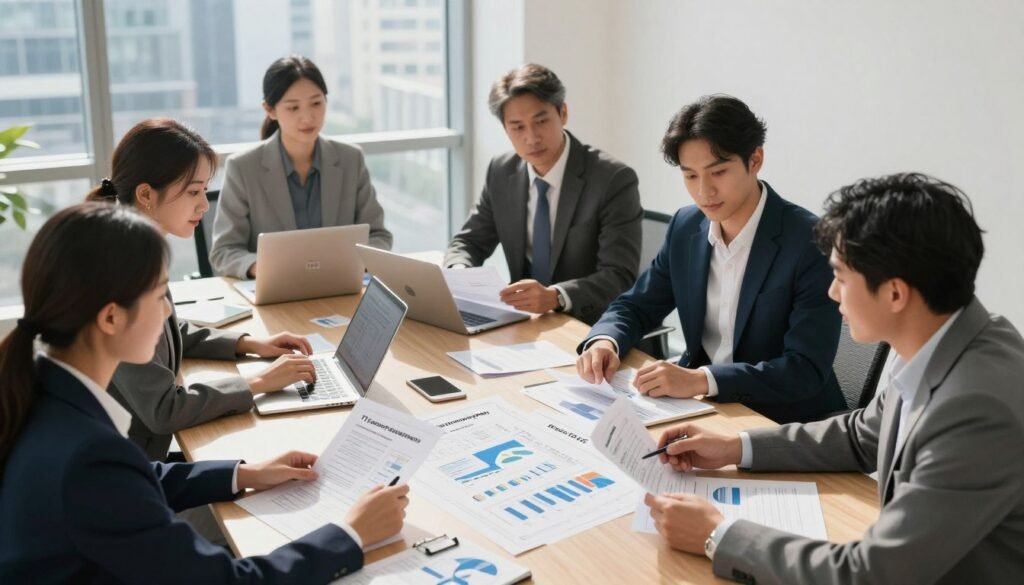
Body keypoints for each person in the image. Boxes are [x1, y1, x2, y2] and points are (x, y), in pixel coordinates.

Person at [644, 173, 1024, 583]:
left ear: (896, 294)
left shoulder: (976, 409)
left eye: (841, 277)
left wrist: (717, 535)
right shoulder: (950, 337)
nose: (831, 293)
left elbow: (872, 575)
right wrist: (734, 447)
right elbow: (863, 435)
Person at [0, 203, 409, 583]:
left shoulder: (41, 395)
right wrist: (350, 534)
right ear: (110, 317)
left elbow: (132, 481)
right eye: (161, 295)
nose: (167, 313)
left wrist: (243, 474)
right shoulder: (87, 454)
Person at [577, 95, 845, 423]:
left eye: (718, 172)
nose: (704, 191)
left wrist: (703, 379)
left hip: (784, 422)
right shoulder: (686, 227)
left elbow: (804, 369)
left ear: (755, 159)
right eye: (690, 176)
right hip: (703, 409)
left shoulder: (809, 242)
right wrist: (606, 341)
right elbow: (636, 305)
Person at [87, 118, 317, 461]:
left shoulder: (137, 249)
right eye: (194, 191)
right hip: (115, 473)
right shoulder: (119, 276)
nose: (205, 205)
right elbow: (163, 410)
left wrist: (250, 344)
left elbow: (165, 330)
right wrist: (259, 382)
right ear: (147, 195)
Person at [444, 63, 642, 325]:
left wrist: (556, 296)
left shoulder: (612, 179)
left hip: (590, 326)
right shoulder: (501, 172)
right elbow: (469, 242)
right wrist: (459, 275)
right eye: (518, 127)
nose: (532, 138)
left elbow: (619, 275)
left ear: (563, 113)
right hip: (525, 323)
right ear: (505, 129)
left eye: (541, 121)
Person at [211, 55, 393, 279]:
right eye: (293, 108)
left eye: (316, 103)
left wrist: (356, 262)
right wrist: (264, 268)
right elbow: (224, 251)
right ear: (270, 110)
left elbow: (379, 236)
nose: (307, 117)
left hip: (340, 289)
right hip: (276, 294)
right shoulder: (243, 168)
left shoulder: (350, 159)